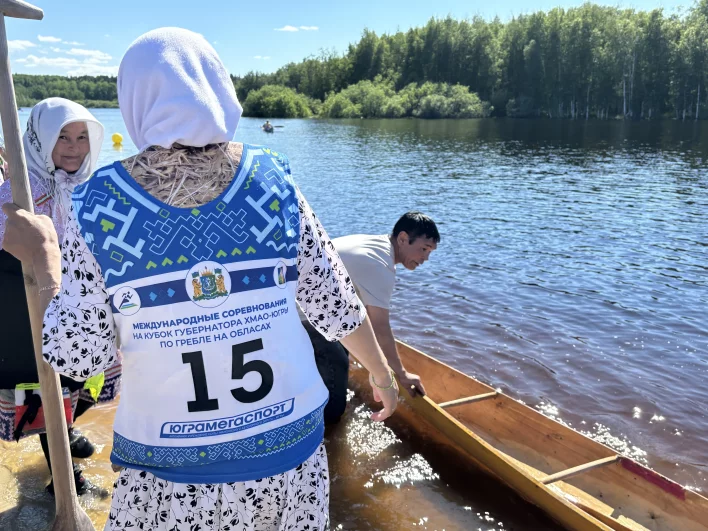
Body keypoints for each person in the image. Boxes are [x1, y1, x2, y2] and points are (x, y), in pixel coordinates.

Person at [2, 28, 398, 530]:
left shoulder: (99, 204)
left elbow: (79, 355)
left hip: (170, 477)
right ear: (219, 88)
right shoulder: (274, 178)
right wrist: (381, 375)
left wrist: (44, 257)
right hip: (289, 457)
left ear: (132, 102)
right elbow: (333, 300)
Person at [0, 97, 121, 495]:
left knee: (90, 380)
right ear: (39, 141)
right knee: (48, 385)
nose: (73, 146)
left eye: (82, 136)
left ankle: (65, 433)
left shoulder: (90, 185)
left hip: (82, 302)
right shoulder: (19, 188)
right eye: (62, 137)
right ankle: (67, 481)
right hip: (31, 305)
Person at [305, 211, 440, 424]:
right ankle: (328, 425)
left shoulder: (375, 245)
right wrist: (400, 374)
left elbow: (365, 316)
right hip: (304, 311)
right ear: (403, 239)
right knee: (337, 363)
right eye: (423, 249)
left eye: (430, 252)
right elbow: (379, 327)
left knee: (346, 348)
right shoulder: (381, 265)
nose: (425, 258)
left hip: (304, 302)